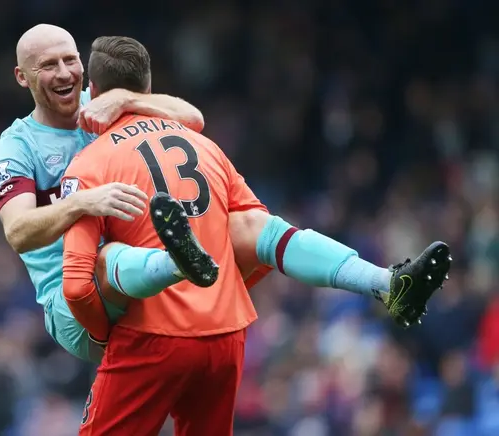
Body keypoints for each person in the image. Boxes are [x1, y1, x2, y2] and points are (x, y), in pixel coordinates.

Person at [61, 36, 452, 435]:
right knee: (252, 224)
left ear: (93, 90)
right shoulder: (204, 145)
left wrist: (104, 333)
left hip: (148, 336)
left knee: (106, 259)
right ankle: (383, 281)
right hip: (224, 332)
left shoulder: (88, 164)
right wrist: (226, 293)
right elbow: (259, 238)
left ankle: (168, 264)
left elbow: (76, 289)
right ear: (148, 88)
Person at [0, 23, 219, 362]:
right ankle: (176, 263)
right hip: (73, 303)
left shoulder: (102, 102)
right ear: (22, 77)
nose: (64, 73)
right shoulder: (16, 147)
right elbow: (17, 231)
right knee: (106, 257)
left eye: (70, 60)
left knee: (245, 226)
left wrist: (126, 98)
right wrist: (81, 201)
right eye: (49, 65)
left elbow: (192, 119)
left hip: (139, 272)